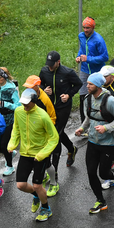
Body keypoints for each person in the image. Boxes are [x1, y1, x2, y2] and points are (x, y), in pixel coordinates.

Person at [75, 72, 114, 214]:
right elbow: (89, 118)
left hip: (109, 143)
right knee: (90, 172)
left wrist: (105, 128)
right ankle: (100, 201)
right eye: (87, 83)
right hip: (93, 141)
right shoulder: (87, 99)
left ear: (99, 86)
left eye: (90, 84)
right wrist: (82, 128)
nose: (87, 86)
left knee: (104, 174)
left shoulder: (111, 101)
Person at [8, 89, 59, 222]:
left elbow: (54, 138)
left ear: (34, 101)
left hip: (40, 155)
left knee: (37, 185)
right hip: (25, 153)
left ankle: (46, 209)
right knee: (20, 185)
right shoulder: (18, 112)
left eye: (27, 103)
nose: (24, 106)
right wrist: (12, 144)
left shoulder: (42, 116)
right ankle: (36, 195)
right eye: (23, 103)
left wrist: (43, 154)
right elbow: (16, 129)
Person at [39, 50, 83, 190]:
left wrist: (68, 95)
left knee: (55, 136)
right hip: (50, 107)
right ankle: (71, 148)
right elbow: (40, 85)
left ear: (58, 62)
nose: (50, 67)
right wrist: (44, 90)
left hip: (63, 107)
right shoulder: (44, 71)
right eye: (49, 64)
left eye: (52, 64)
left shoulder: (68, 72)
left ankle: (55, 171)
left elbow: (78, 84)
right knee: (58, 131)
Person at [22, 74, 58, 195]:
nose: (28, 88)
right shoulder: (27, 95)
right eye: (27, 86)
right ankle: (44, 177)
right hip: (33, 134)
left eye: (31, 86)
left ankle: (54, 183)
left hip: (44, 134)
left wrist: (46, 133)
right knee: (33, 160)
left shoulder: (44, 99)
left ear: (37, 86)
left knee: (47, 162)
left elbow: (52, 117)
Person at [76, 17, 109, 124]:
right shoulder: (81, 36)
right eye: (84, 27)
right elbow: (82, 49)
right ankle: (83, 124)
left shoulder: (98, 40)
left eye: (88, 28)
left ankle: (101, 119)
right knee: (83, 96)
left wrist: (88, 59)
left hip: (96, 72)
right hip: (84, 70)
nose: (85, 30)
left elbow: (105, 57)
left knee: (98, 96)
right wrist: (79, 57)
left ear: (93, 28)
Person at [0, 67, 20, 176]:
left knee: (4, 145)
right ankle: (11, 154)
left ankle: (10, 167)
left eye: (0, 78)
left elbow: (18, 106)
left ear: (5, 78)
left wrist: (7, 104)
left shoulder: (11, 89)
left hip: (10, 119)